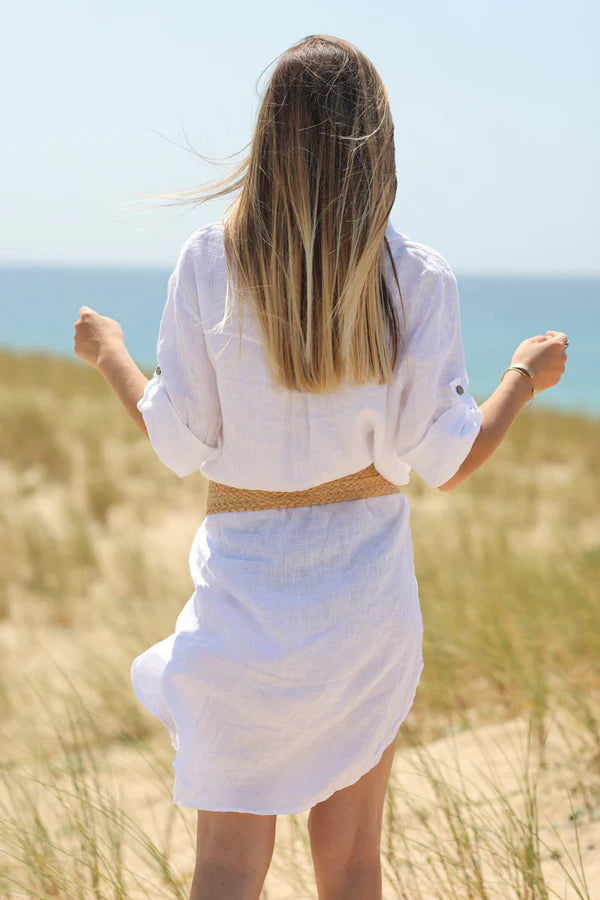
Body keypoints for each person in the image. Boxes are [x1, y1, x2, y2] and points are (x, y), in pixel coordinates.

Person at [73, 33, 568, 900]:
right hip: (362, 608)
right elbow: (447, 459)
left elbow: (178, 443)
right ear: (376, 143)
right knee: (349, 863)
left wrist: (110, 353)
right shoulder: (415, 277)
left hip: (244, 603)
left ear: (268, 139)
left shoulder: (208, 261)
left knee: (226, 866)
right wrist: (523, 377)